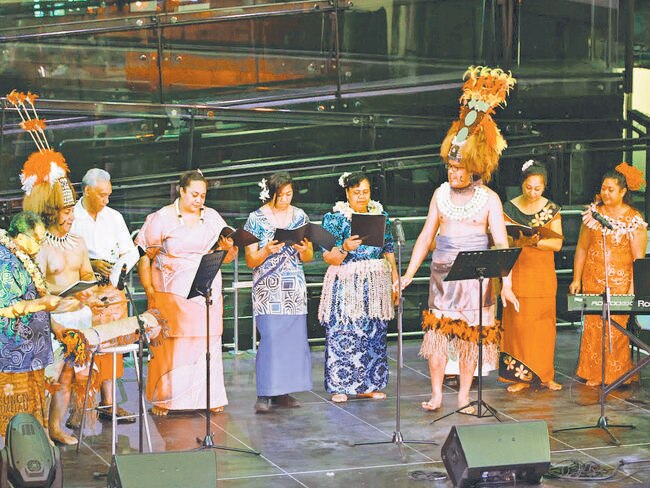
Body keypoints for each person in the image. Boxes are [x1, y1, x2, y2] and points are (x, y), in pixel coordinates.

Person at [400, 66, 519, 412]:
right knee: (437, 336)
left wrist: (506, 284)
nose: (452, 173)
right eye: (450, 168)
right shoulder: (439, 194)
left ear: (473, 169)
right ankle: (437, 394)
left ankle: (465, 395)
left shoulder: (490, 199)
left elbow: (500, 244)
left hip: (476, 279)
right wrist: (409, 273)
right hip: (442, 274)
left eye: (458, 169)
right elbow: (425, 237)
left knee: (469, 340)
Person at [136, 170, 237, 416]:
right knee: (173, 343)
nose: (199, 200)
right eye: (194, 194)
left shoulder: (212, 217)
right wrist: (149, 290)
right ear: (181, 191)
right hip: (172, 291)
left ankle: (210, 396)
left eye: (203, 195)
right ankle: (166, 399)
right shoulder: (162, 218)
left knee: (207, 341)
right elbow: (144, 257)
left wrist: (227, 248)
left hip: (206, 287)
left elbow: (230, 256)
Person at [318, 171, 397, 404]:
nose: (361, 197)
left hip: (374, 285)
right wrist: (345, 247)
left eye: (365, 192)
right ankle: (340, 385)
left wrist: (395, 279)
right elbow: (328, 257)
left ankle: (369, 384)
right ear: (347, 193)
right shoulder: (334, 219)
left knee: (373, 334)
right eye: (356, 193)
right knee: (344, 332)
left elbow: (388, 249)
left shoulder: (381, 215)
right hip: (346, 283)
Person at [569, 163, 647, 386]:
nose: (605, 193)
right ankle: (593, 372)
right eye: (603, 188)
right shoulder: (593, 214)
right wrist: (576, 278)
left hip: (620, 283)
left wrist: (634, 288)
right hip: (593, 279)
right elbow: (582, 248)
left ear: (623, 192)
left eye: (611, 189)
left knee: (615, 328)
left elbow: (638, 259)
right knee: (594, 326)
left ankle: (615, 374)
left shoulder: (633, 219)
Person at [244, 172, 313, 413]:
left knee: (291, 340)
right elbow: (250, 259)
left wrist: (303, 248)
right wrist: (267, 251)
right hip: (268, 286)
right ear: (271, 193)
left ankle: (283, 391)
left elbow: (309, 255)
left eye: (289, 194)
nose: (285, 199)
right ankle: (264, 392)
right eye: (281, 195)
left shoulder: (300, 216)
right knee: (271, 338)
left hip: (293, 284)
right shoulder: (256, 218)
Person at [71, 168, 136, 422]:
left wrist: (119, 266)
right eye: (101, 195)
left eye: (108, 195)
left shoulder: (114, 217)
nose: (106, 200)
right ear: (86, 190)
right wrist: (91, 262)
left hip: (111, 289)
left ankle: (109, 403)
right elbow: (64, 252)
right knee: (83, 349)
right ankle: (80, 408)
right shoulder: (72, 217)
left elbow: (129, 252)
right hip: (82, 292)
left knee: (112, 347)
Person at [499, 160, 563, 393]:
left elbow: (557, 243)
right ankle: (520, 377)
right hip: (517, 270)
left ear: (544, 187)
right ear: (522, 184)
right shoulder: (509, 207)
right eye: (528, 187)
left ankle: (546, 375)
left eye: (537, 188)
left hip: (542, 272)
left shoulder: (552, 209)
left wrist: (536, 242)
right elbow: (502, 240)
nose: (533, 192)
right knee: (519, 324)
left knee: (543, 325)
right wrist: (518, 240)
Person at [0, 212, 62, 437]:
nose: (40, 243)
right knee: (15, 415)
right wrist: (42, 303)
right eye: (37, 239)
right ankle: (16, 456)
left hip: (33, 352)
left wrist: (55, 326)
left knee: (34, 407)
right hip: (13, 354)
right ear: (19, 237)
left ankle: (36, 449)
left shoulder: (24, 257)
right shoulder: (4, 262)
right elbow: (6, 307)